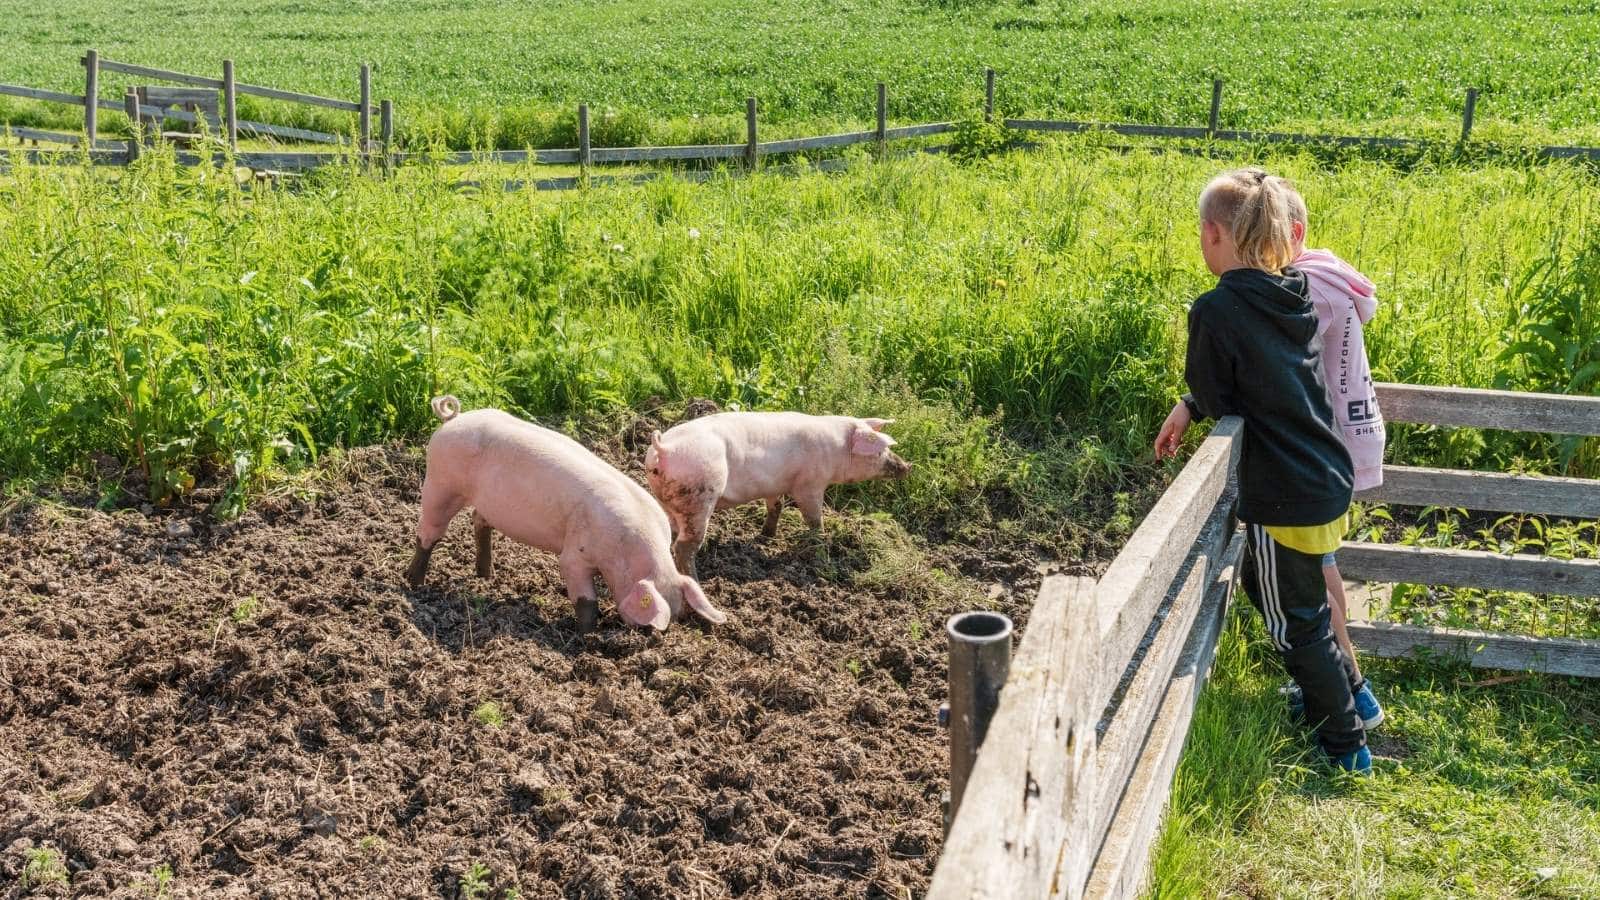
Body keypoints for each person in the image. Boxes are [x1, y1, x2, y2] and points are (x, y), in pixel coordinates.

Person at [1154, 167, 1370, 773]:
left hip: (1284, 493)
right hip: (1324, 476)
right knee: (1271, 588)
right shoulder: (1292, 294)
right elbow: (1263, 375)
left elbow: (1221, 393)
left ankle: (1345, 744)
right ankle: (1347, 699)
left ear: (1213, 233)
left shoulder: (1217, 308)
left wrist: (1197, 399)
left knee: (1297, 624)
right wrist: (1193, 405)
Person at [1282, 193, 1386, 731]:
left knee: (1316, 571)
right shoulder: (1329, 273)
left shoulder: (1308, 286)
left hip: (1323, 449)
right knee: (1322, 565)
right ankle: (1349, 685)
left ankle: (1353, 690)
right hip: (1344, 440)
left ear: (1295, 231)